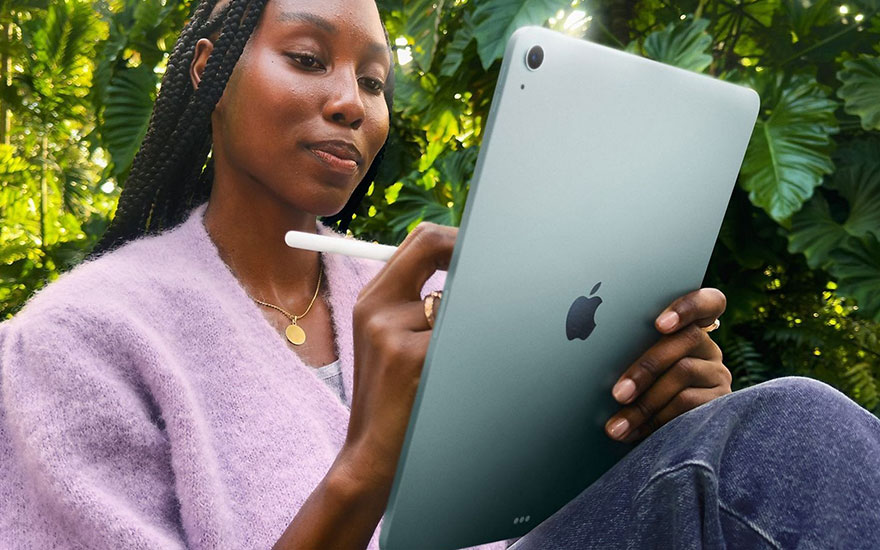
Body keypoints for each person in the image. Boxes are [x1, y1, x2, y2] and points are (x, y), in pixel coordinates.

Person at [0, 0, 877, 548]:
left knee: (771, 438)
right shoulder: (79, 339)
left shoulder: (418, 306)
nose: (353, 100)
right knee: (792, 429)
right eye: (308, 58)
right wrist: (365, 468)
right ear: (209, 70)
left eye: (375, 80)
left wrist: (657, 433)